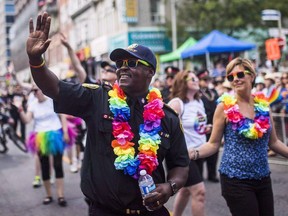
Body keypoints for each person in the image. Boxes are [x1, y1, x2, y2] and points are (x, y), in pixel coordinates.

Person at [26, 12, 189, 215]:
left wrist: (170, 187)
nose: (122, 68)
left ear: (150, 72)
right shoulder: (96, 98)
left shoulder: (168, 116)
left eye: (131, 63)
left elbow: (180, 165)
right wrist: (35, 59)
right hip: (105, 211)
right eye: (119, 64)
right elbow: (54, 88)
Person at [190, 57, 288, 216]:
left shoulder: (263, 107)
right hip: (235, 180)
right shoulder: (224, 107)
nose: (235, 79)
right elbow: (213, 144)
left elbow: (275, 142)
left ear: (252, 75)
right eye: (231, 77)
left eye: (240, 74)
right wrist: (194, 153)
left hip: (263, 178)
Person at [18, 86, 75, 207]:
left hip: (55, 135)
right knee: (44, 166)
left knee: (58, 165)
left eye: (36, 90)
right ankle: (48, 195)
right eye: (33, 91)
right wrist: (20, 111)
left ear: (42, 90)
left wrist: (65, 132)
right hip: (40, 137)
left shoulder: (51, 100)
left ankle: (60, 195)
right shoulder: (32, 104)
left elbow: (62, 116)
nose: (35, 93)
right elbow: (27, 120)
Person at [168, 70, 209, 216]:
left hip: (199, 152)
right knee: (199, 192)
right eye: (192, 79)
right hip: (185, 156)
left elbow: (198, 126)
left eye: (196, 78)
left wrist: (208, 129)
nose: (196, 80)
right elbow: (167, 129)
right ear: (183, 82)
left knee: (186, 190)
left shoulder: (199, 102)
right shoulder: (177, 103)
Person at [197, 69, 219, 183]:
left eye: (207, 80)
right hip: (202, 127)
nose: (206, 82)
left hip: (213, 125)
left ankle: (212, 174)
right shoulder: (197, 94)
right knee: (201, 152)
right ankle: (199, 176)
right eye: (203, 80)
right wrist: (203, 124)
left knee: (214, 152)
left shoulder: (213, 92)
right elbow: (198, 111)